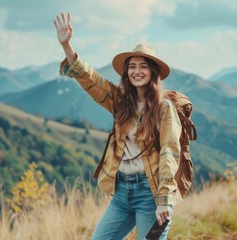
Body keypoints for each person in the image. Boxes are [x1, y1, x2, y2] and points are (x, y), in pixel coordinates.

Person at [54, 12, 183, 240]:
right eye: (132, 66)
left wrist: (164, 200)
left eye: (143, 66)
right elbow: (90, 79)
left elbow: (169, 152)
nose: (136, 71)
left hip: (150, 192)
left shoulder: (164, 109)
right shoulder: (121, 101)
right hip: (122, 192)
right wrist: (67, 45)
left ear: (153, 72)